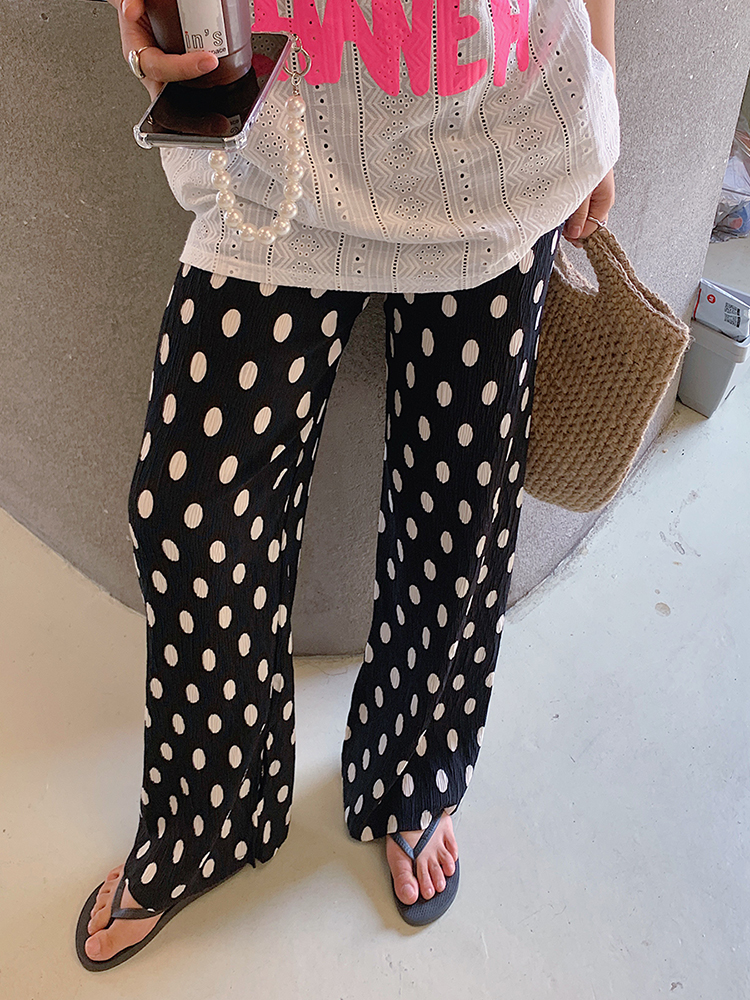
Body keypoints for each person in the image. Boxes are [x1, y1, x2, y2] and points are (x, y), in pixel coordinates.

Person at [77, 0, 618, 969]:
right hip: (276, 152)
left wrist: (602, 88)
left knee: (460, 514)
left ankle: (414, 770)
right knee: (190, 517)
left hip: (498, 137)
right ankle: (212, 808)